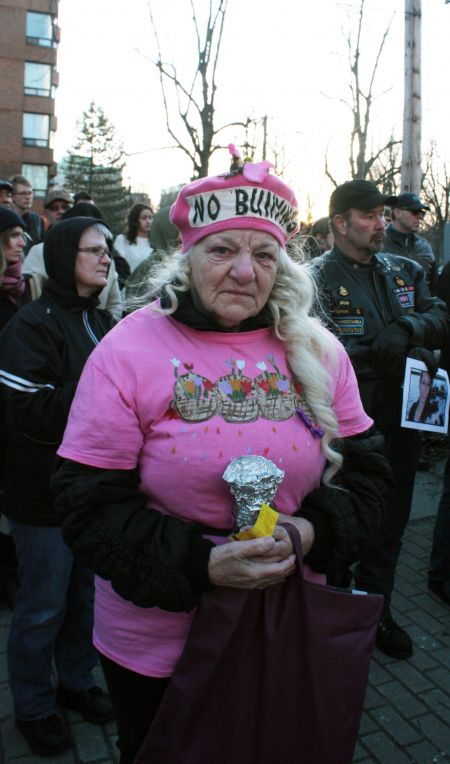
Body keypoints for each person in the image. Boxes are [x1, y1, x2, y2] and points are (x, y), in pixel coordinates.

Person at [52, 157, 392, 764]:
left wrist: (311, 533)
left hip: (288, 619)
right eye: (222, 250)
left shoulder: (318, 348)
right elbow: (86, 505)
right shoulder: (127, 349)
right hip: (159, 644)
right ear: (187, 258)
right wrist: (202, 566)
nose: (243, 271)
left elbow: (368, 477)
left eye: (264, 255)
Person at [311, 179, 448, 660]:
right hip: (347, 430)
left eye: (382, 216)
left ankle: (377, 611)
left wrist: (409, 327)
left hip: (406, 420)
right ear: (341, 223)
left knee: (391, 525)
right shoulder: (315, 279)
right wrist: (376, 354)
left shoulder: (404, 270)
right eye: (368, 216)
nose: (379, 225)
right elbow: (307, 349)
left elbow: (439, 314)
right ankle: (335, 614)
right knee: (343, 523)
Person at [0, 217, 115, 756]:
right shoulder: (30, 326)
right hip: (41, 494)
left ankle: (74, 681)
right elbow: (29, 414)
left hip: (92, 491)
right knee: (42, 605)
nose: (106, 258)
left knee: (85, 597)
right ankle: (33, 706)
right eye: (93, 250)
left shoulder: (102, 319)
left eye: (108, 249)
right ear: (66, 256)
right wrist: (102, 385)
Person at [24, 203, 123, 321]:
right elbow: (29, 291)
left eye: (106, 252)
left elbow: (115, 305)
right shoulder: (35, 323)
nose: (106, 261)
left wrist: (107, 333)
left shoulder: (100, 323)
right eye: (94, 250)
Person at [384, 192, 437, 293]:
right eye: (415, 212)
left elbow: (434, 287)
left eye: (422, 213)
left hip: (421, 307)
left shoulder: (424, 247)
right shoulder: (378, 244)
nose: (419, 217)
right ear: (397, 213)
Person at [113, 203, 154, 276]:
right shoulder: (122, 240)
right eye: (144, 218)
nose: (148, 221)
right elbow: (119, 267)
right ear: (135, 221)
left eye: (150, 218)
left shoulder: (155, 242)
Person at [10, 175, 45, 254]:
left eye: (30, 193)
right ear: (13, 196)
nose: (28, 197)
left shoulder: (38, 220)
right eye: (23, 193)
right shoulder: (6, 219)